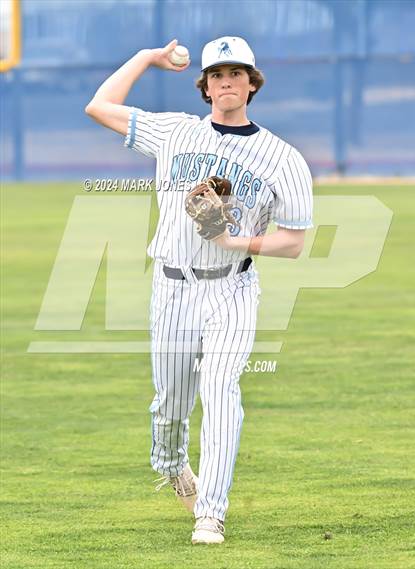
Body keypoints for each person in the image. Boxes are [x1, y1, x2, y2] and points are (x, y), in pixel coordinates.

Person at [86, 36, 313, 545]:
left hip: (232, 291)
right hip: (172, 288)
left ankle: (211, 511)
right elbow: (99, 106)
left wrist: (236, 239)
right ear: (205, 86)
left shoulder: (282, 158)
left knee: (220, 391)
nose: (226, 82)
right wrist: (146, 57)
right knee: (171, 402)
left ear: (251, 84)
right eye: (216, 75)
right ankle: (170, 465)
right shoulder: (174, 132)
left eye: (236, 74)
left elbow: (294, 244)